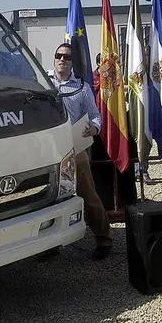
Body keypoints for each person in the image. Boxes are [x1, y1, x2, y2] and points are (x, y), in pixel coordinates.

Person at [50, 43, 112, 260]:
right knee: (49, 200)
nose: (62, 60)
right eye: (59, 56)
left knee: (88, 195)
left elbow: (96, 116)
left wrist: (94, 128)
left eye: (67, 57)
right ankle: (50, 245)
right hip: (49, 154)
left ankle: (104, 238)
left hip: (76, 150)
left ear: (72, 62)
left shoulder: (82, 88)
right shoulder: (43, 85)